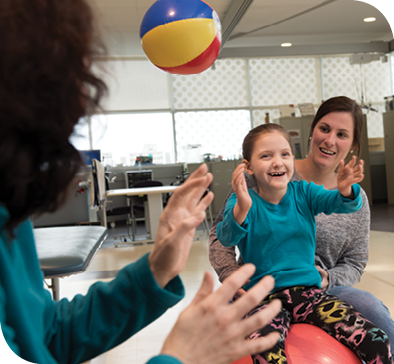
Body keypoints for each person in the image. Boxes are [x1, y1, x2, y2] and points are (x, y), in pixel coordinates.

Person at [0, 1, 284, 363]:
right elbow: (227, 237)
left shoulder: (9, 217)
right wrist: (181, 356)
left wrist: (156, 269)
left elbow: (44, 336)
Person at [209, 96, 394, 354]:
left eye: (342, 134)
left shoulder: (311, 193)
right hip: (261, 290)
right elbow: (223, 237)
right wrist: (232, 278)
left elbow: (355, 259)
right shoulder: (250, 189)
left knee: (379, 325)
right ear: (311, 131)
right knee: (252, 345)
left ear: (353, 144)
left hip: (317, 289)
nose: (330, 140)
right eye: (325, 129)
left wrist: (345, 192)